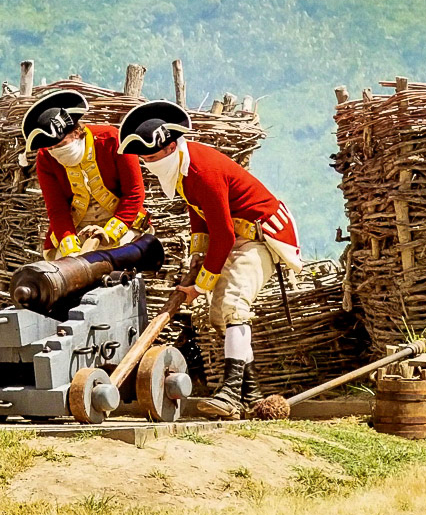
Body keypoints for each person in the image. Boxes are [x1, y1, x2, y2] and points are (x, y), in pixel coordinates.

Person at [117, 100, 302, 418]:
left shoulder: (202, 170)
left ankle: (230, 393)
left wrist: (199, 286)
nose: (148, 163)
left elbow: (225, 234)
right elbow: (199, 216)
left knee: (233, 307)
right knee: (220, 316)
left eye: (152, 156)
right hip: (235, 238)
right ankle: (250, 393)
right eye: (144, 158)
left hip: (260, 237)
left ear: (171, 146)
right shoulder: (184, 171)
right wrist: (196, 258)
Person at [21, 89, 149, 260]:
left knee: (117, 259)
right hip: (76, 229)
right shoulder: (45, 158)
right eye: (50, 148)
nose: (55, 151)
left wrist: (108, 233)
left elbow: (134, 192)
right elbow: (57, 209)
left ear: (75, 132)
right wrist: (72, 251)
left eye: (60, 144)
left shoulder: (112, 140)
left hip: (122, 222)